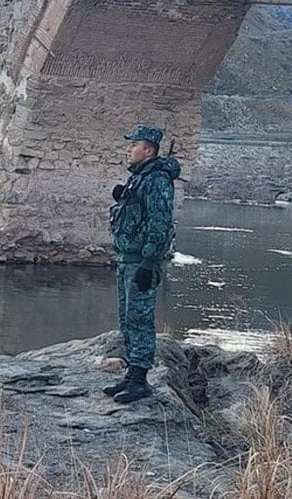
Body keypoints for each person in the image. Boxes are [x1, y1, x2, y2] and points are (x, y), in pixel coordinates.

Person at [103, 124, 180, 404]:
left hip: (141, 261)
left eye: (134, 145)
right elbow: (138, 213)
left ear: (148, 150)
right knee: (127, 317)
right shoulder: (139, 177)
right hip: (127, 258)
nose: (129, 149)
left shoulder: (157, 179)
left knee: (140, 318)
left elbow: (160, 223)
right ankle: (132, 373)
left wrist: (149, 262)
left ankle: (140, 380)